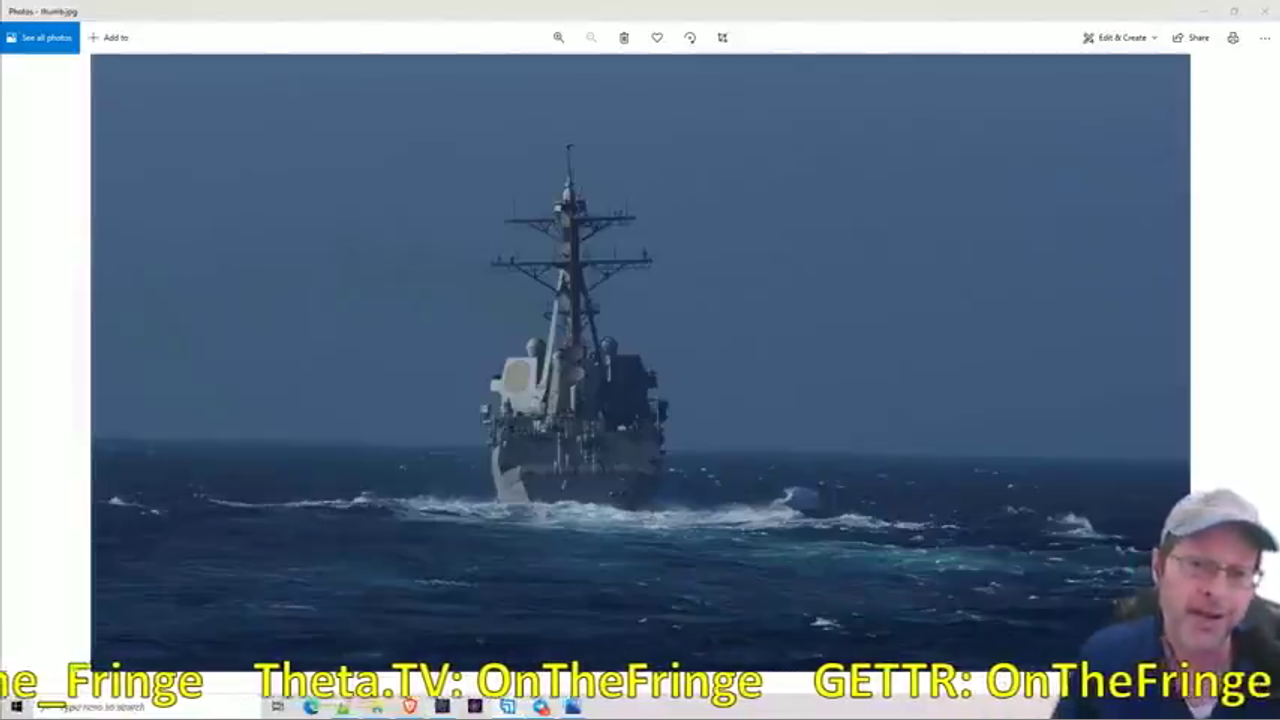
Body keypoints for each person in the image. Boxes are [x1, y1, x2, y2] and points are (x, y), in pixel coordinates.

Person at [1050, 489, 1280, 718]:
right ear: (1158, 568)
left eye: (1238, 573)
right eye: (1197, 565)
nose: (1218, 592)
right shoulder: (1104, 659)